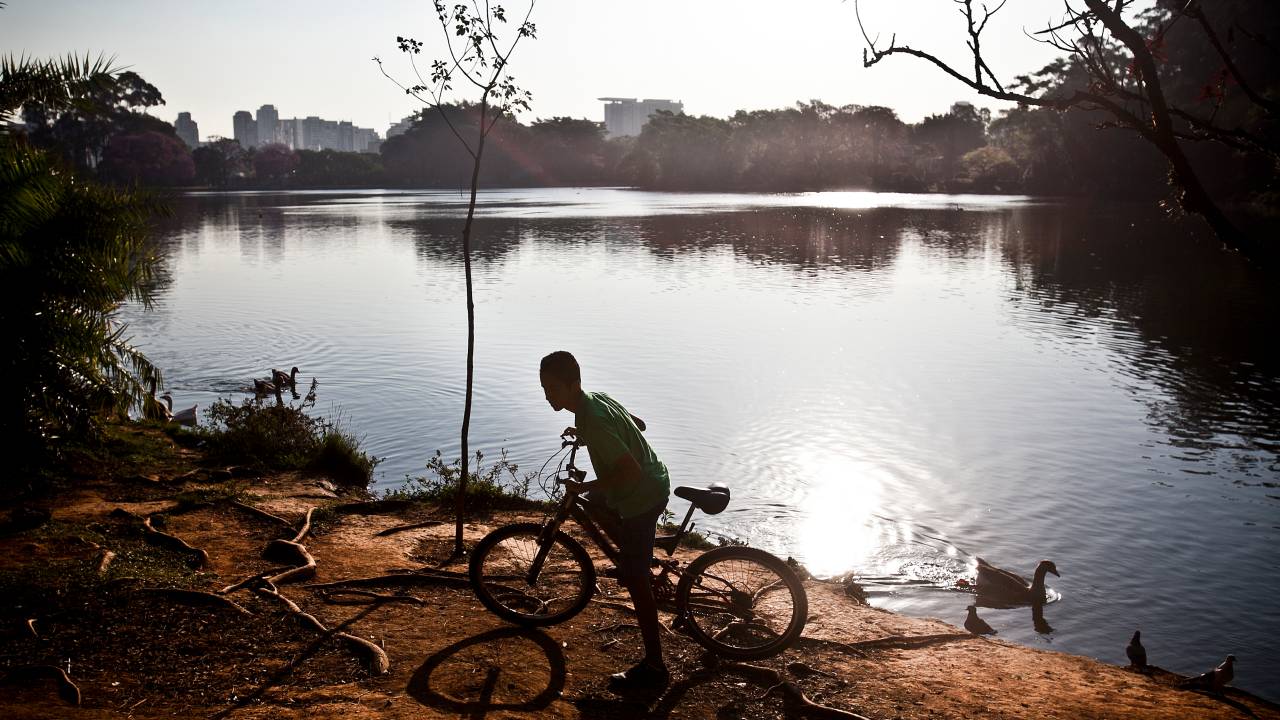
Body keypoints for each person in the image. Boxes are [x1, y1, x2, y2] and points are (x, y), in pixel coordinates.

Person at [539, 350, 671, 688]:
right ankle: (629, 552)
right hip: (653, 478)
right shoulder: (594, 401)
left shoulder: (592, 416)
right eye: (544, 388)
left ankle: (655, 668)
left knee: (637, 581)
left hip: (642, 494)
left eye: (554, 389)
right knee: (598, 502)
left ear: (574, 385)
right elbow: (637, 424)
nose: (548, 396)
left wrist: (584, 484)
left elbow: (629, 471)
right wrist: (586, 435)